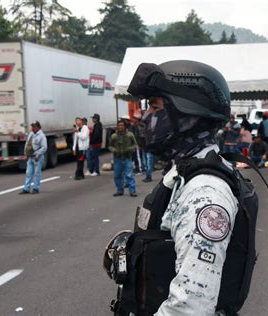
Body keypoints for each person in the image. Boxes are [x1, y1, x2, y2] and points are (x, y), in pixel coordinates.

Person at [107, 60, 259, 315]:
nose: (146, 117)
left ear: (188, 115)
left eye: (155, 107)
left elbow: (190, 307)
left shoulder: (205, 194)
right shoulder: (184, 174)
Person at [109, 120, 137, 197]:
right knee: (117, 175)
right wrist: (114, 150)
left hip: (127, 158)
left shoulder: (129, 135)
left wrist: (129, 149)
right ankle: (119, 190)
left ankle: (132, 191)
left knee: (129, 174)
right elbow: (110, 146)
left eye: (122, 125)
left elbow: (135, 145)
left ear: (125, 126)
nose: (120, 127)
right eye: (119, 125)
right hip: (117, 158)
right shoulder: (114, 136)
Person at [20, 121, 47, 194]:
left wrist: (38, 154)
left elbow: (44, 147)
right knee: (28, 173)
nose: (33, 128)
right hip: (30, 157)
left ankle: (36, 188)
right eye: (32, 126)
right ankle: (26, 188)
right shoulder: (31, 134)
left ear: (38, 127)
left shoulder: (41, 135)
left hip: (37, 157)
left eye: (34, 126)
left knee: (37, 173)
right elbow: (27, 144)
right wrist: (26, 154)